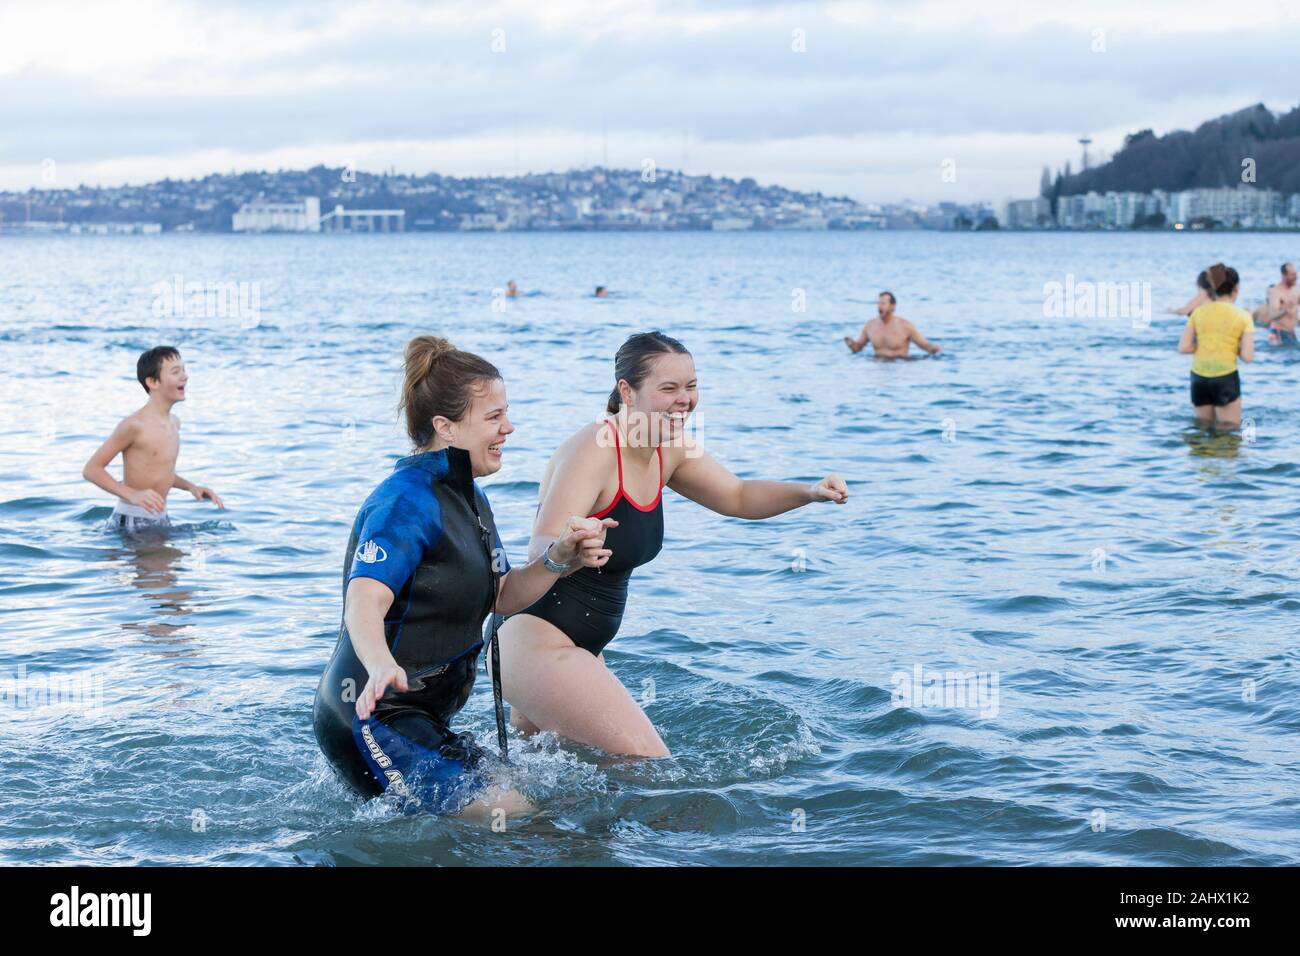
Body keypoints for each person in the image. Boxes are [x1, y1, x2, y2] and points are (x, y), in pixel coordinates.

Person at [492, 331, 849, 758]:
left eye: (692, 386)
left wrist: (808, 492)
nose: (685, 399)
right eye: (669, 388)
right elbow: (541, 545)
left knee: (558, 798)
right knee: (651, 768)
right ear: (627, 390)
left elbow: (736, 496)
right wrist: (570, 547)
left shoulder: (669, 449)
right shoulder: (595, 449)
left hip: (577, 647)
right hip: (534, 641)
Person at [313, 336, 612, 817]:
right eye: (493, 417)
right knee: (521, 820)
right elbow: (363, 600)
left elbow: (501, 594)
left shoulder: (468, 496)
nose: (509, 428)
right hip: (372, 717)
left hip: (423, 717)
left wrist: (561, 558)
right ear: (445, 428)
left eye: (506, 413)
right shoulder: (405, 501)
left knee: (561, 803)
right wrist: (380, 663)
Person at [82, 346, 223, 533]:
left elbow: (160, 472)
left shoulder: (174, 423)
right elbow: (91, 470)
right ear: (153, 382)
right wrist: (132, 494)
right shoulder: (134, 425)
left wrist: (191, 487)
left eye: (184, 369)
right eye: (175, 372)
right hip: (132, 520)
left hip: (160, 519)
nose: (185, 376)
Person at [1179, 263, 1254, 428]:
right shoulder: (1243, 316)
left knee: (1202, 428)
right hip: (1225, 377)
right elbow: (1248, 357)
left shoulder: (1198, 312)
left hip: (1198, 378)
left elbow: (1183, 347)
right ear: (1237, 287)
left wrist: (1203, 345)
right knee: (1229, 431)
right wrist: (1233, 346)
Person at [843, 292, 941, 358]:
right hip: (877, 371)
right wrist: (852, 345)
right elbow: (858, 348)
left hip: (899, 369)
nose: (879, 306)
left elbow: (925, 346)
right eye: (879, 303)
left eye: (883, 304)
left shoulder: (905, 326)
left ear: (892, 306)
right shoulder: (870, 326)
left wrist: (935, 349)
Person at [1255, 262, 1299, 345]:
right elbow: (1272, 315)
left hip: (1292, 333)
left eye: (1296, 274)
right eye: (1292, 275)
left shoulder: (1296, 290)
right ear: (1284, 275)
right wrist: (1285, 310)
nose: (1296, 277)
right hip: (1279, 333)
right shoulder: (1275, 292)